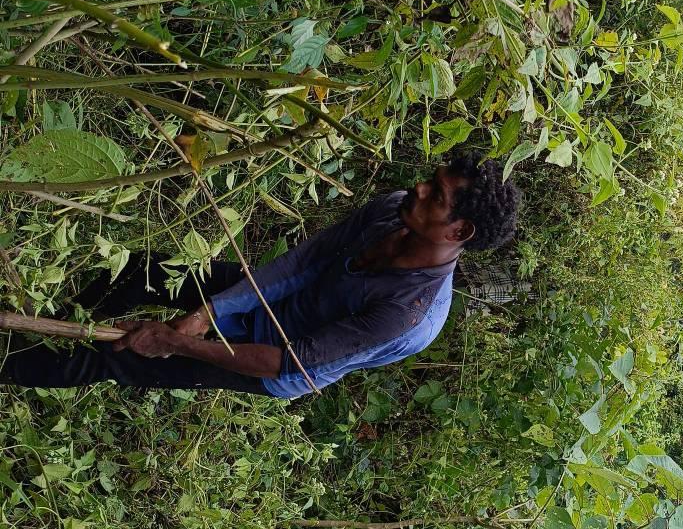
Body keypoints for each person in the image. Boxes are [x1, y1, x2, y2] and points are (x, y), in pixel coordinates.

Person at [0, 151, 521, 399]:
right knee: (146, 271)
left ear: (460, 231)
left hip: (278, 360)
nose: (419, 189)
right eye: (430, 180)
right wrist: (208, 312)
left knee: (117, 358)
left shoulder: (409, 316)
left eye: (436, 196)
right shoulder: (392, 209)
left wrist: (176, 342)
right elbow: (303, 263)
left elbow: (287, 360)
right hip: (283, 297)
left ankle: (10, 362)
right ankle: (47, 310)